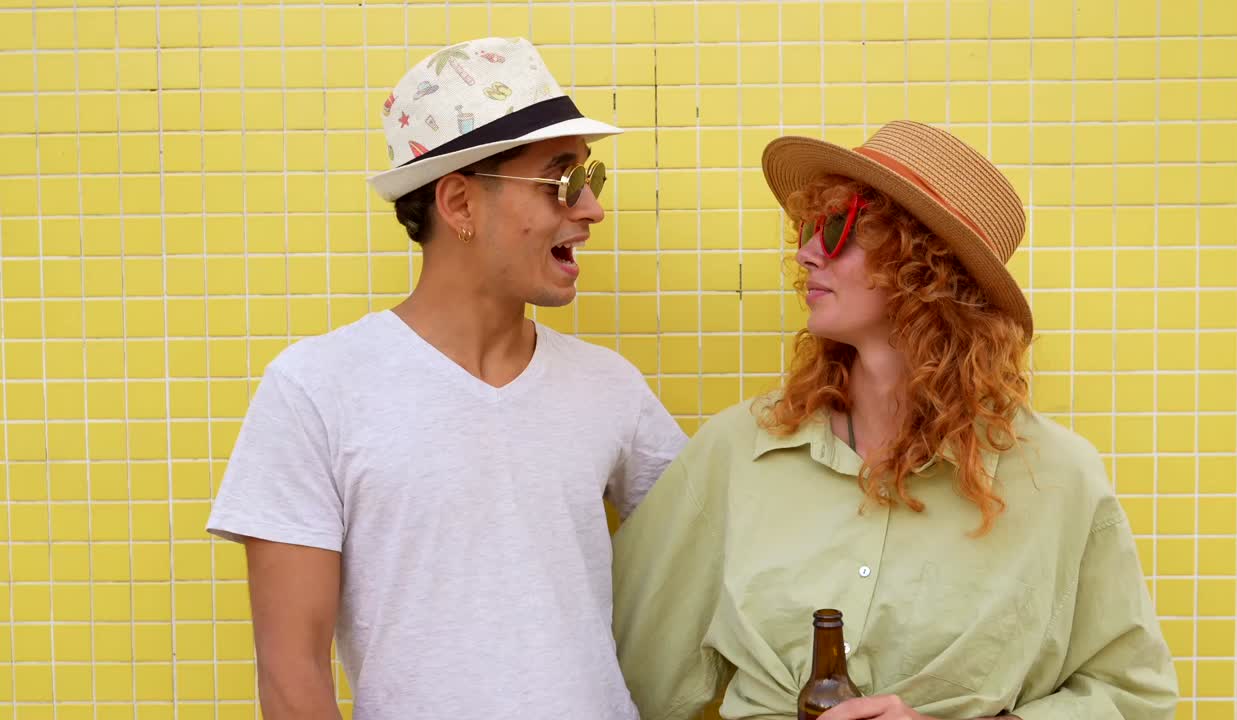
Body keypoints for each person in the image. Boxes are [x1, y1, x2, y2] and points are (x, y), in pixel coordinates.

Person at [611, 120, 1178, 720]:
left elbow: (1133, 696)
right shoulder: (739, 450)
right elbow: (619, 671)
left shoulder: (1057, 478)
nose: (806, 253)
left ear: (926, 267)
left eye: (837, 228)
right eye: (808, 228)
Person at [206, 36, 687, 720]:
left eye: (592, 178)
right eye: (562, 180)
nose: (591, 210)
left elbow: (715, 552)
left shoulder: (609, 387)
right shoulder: (317, 388)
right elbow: (291, 676)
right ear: (459, 204)